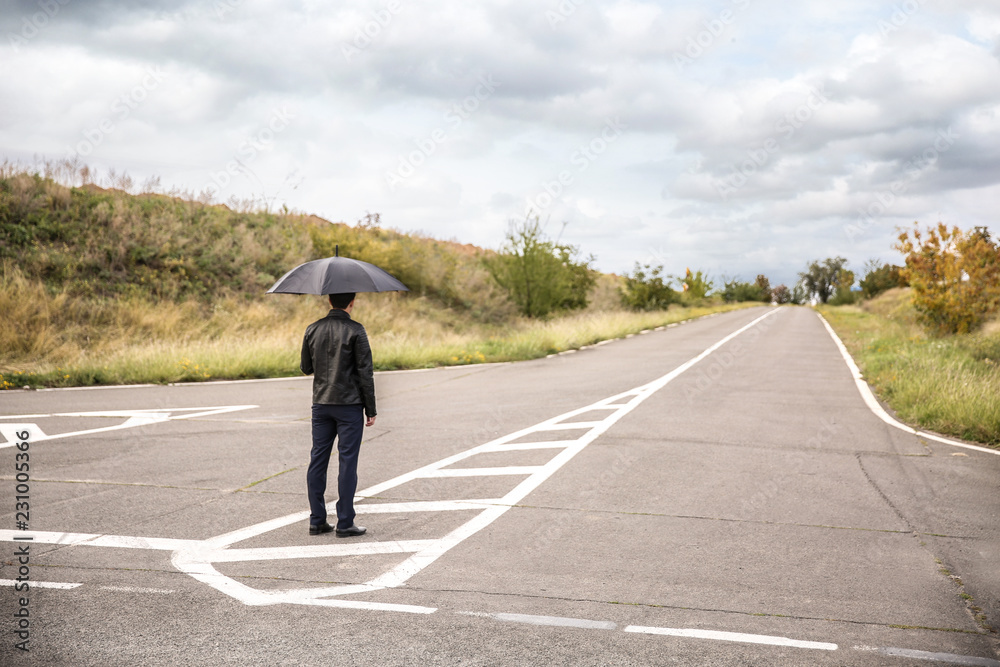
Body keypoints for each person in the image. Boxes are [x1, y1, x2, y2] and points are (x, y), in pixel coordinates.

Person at [300, 292, 377, 537]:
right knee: (347, 461)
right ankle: (345, 522)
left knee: (318, 459)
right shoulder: (356, 330)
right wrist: (371, 408)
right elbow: (365, 372)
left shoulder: (312, 329)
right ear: (352, 302)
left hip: (321, 404)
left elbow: (305, 367)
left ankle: (317, 520)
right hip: (349, 405)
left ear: (329, 301)